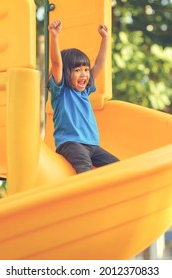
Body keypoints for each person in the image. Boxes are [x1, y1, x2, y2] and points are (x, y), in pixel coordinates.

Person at [47, 19, 119, 173]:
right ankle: (88, 196)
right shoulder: (61, 91)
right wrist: (54, 36)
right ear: (67, 73)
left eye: (86, 69)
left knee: (118, 166)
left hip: (93, 145)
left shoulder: (85, 91)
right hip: (70, 143)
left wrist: (105, 39)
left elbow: (99, 64)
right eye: (78, 70)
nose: (84, 74)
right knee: (85, 168)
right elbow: (57, 63)